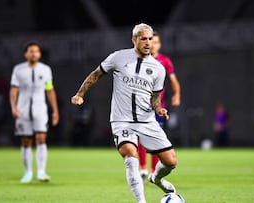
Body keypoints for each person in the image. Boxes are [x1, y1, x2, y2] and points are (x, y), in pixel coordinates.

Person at [71, 23, 178, 203]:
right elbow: (96, 74)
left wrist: (159, 108)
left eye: (150, 39)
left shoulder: (158, 68)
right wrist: (80, 94)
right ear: (134, 40)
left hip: (147, 121)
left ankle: (156, 178)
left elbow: (156, 96)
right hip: (122, 121)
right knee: (130, 154)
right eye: (143, 38)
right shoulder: (119, 57)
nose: (147, 43)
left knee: (171, 162)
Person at [10, 41, 59, 183]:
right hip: (23, 109)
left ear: (39, 54)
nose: (33, 54)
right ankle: (27, 173)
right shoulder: (18, 70)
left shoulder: (45, 69)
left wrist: (55, 111)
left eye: (36, 51)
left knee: (41, 138)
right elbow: (14, 90)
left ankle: (42, 172)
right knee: (26, 141)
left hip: (40, 108)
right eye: (31, 51)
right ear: (26, 54)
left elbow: (50, 90)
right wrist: (14, 108)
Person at [138, 31, 181, 181]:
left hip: (157, 107)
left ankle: (152, 170)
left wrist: (177, 94)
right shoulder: (140, 60)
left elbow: (173, 80)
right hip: (141, 106)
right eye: (150, 41)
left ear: (159, 44)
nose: (152, 44)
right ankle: (142, 168)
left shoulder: (165, 61)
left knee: (155, 139)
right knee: (140, 138)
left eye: (155, 42)